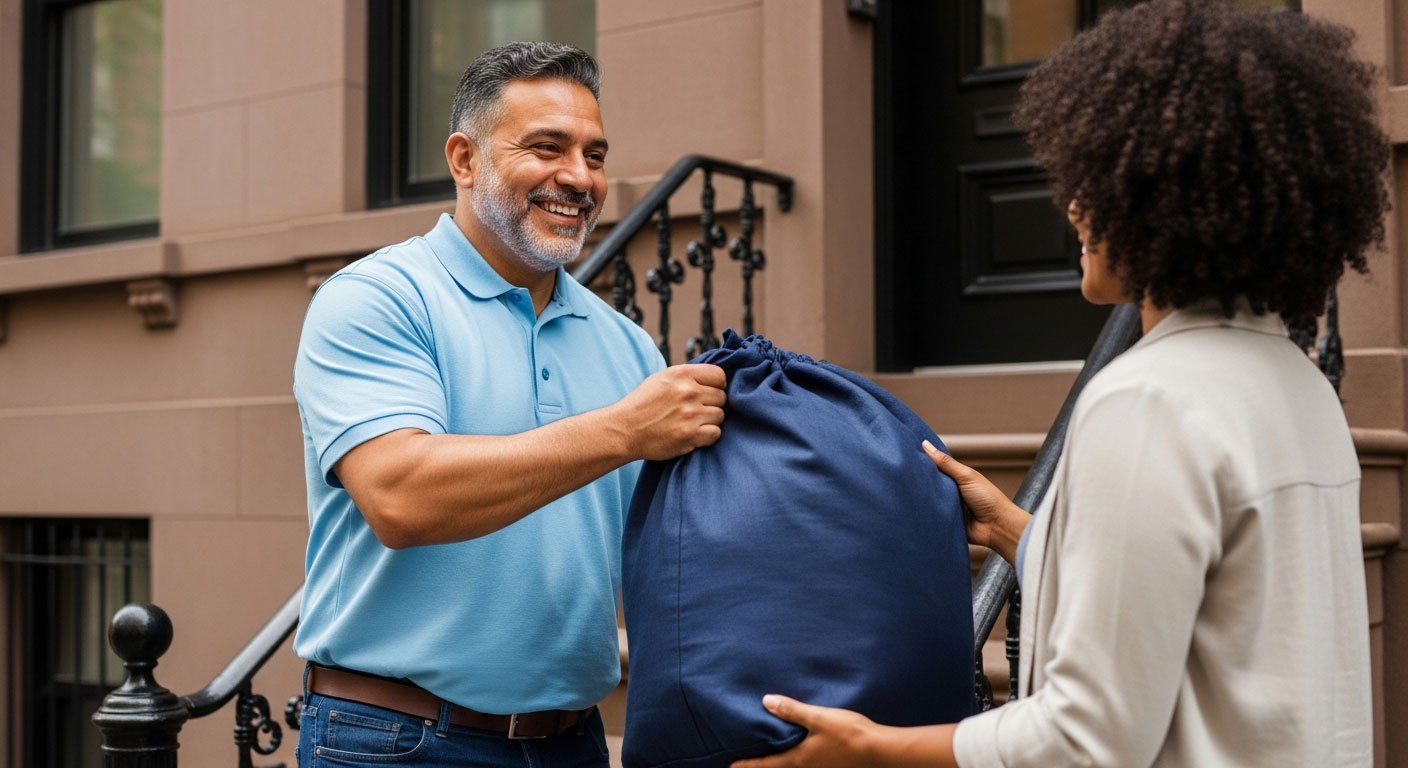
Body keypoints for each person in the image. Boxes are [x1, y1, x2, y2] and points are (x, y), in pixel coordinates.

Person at [732, 2, 1388, 766]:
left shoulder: (1147, 399)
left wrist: (875, 748)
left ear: (1165, 199)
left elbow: (1087, 739)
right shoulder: (1297, 383)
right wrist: (1018, 531)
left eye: (1099, 180)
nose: (1073, 207)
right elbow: (1217, 601)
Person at [292, 41, 727, 766]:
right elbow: (401, 497)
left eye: (594, 154)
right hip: (396, 741)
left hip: (572, 741)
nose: (578, 178)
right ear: (464, 160)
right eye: (547, 147)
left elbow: (671, 554)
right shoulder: (377, 300)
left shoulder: (627, 347)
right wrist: (622, 431)